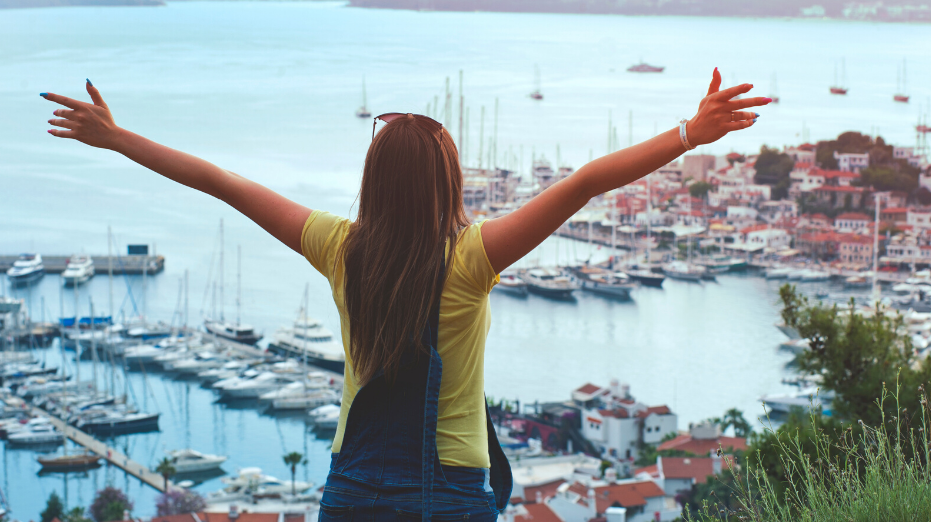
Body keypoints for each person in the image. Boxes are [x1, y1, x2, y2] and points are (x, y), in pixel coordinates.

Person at [40, 69, 768, 520]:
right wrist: (687, 131)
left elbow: (222, 182)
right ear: (448, 182)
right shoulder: (474, 256)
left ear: (375, 180)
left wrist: (117, 137)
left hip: (351, 488)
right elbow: (582, 182)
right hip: (449, 493)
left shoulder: (337, 246)